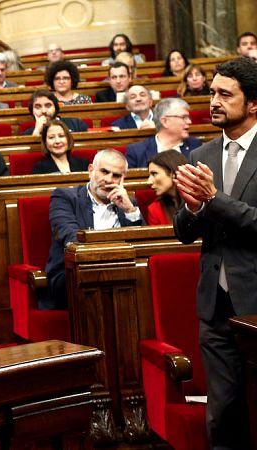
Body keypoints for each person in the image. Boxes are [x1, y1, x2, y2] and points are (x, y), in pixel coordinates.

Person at [173, 56, 257, 449]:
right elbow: (184, 232)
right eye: (211, 93)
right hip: (216, 304)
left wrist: (214, 199)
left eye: (225, 94)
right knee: (221, 414)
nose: (214, 101)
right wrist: (192, 208)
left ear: (253, 103)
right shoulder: (201, 155)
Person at [44, 149, 142, 309]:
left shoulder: (128, 204)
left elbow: (143, 246)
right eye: (104, 172)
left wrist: (130, 211)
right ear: (91, 170)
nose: (109, 180)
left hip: (122, 272)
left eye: (116, 175)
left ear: (123, 179)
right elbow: (70, 238)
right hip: (72, 273)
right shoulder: (65, 197)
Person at [125, 97, 201, 168]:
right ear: (164, 122)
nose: (189, 121)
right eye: (184, 117)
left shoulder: (195, 146)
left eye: (188, 117)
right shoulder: (136, 151)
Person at [145, 149, 187, 225]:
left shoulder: (198, 202)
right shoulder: (155, 209)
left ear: (173, 173)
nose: (149, 182)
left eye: (154, 174)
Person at [21, 90, 88, 136]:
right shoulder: (27, 134)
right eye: (38, 107)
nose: (43, 111)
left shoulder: (77, 124)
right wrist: (37, 131)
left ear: (55, 108)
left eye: (48, 105)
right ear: (32, 111)